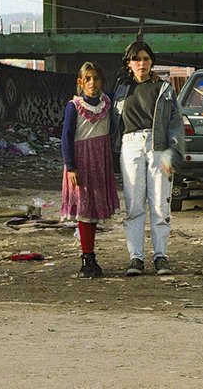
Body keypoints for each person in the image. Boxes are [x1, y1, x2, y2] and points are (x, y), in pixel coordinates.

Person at [114, 39, 183, 276]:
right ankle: (136, 258)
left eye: (145, 58)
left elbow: (175, 123)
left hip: (158, 145)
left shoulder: (164, 89)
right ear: (128, 63)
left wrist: (172, 153)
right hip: (130, 145)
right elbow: (111, 120)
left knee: (160, 203)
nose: (141, 63)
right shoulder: (121, 89)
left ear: (151, 61)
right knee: (134, 205)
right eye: (136, 59)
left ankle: (160, 256)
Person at [59, 61, 121, 279]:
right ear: (80, 82)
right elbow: (66, 137)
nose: (92, 83)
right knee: (84, 211)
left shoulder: (107, 102)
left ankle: (91, 256)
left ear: (102, 81)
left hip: (100, 160)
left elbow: (125, 90)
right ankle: (87, 258)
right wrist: (71, 167)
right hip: (82, 162)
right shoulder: (73, 106)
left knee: (94, 211)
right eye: (88, 79)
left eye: (96, 78)